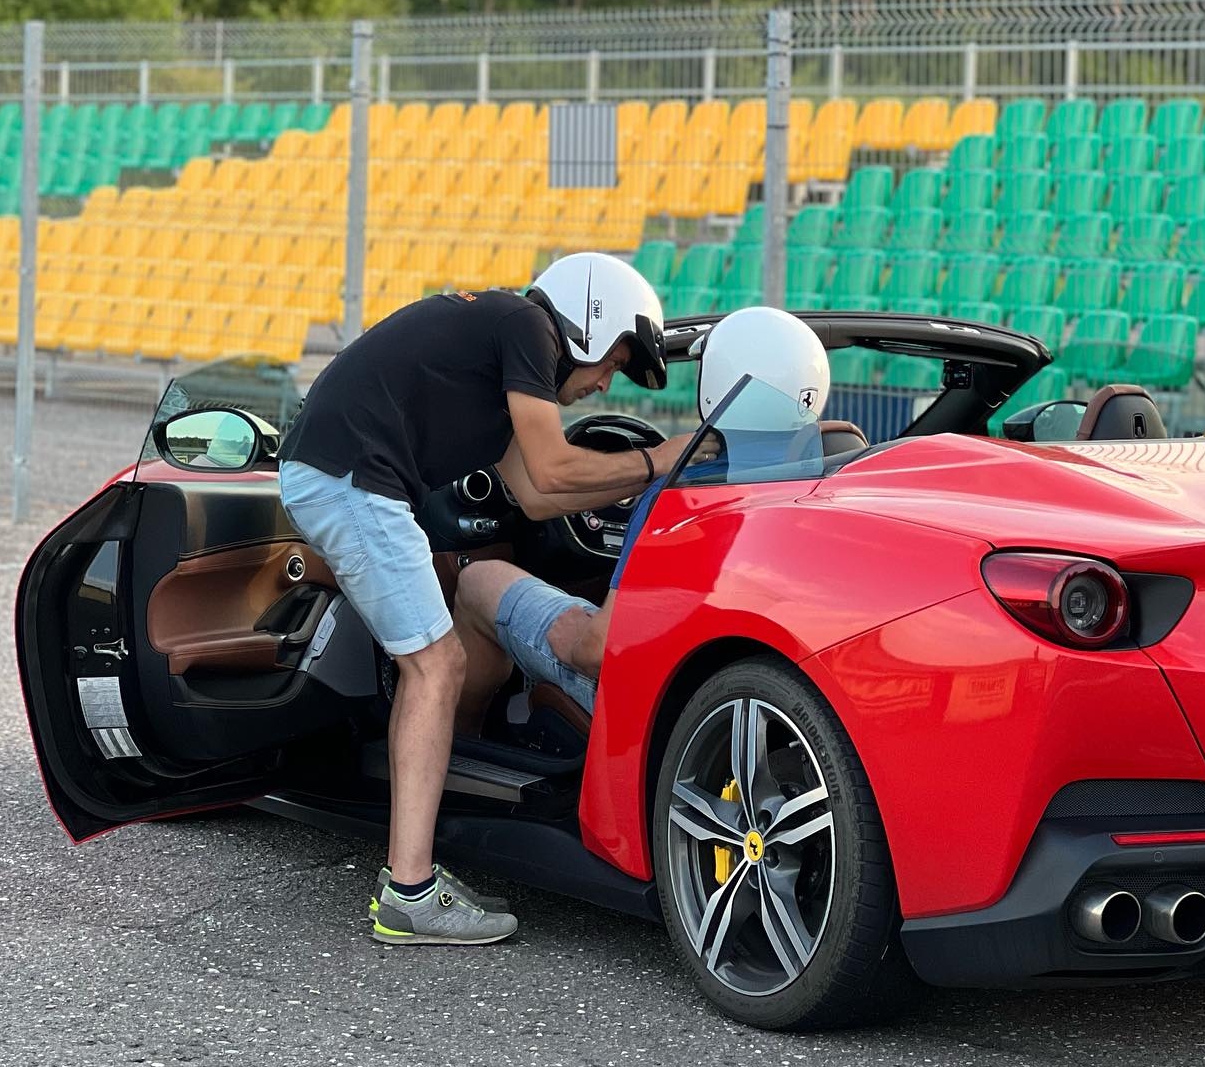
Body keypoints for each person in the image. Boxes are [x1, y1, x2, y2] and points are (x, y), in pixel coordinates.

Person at [276, 252, 695, 946]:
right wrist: (663, 459)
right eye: (614, 361)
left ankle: (411, 881)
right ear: (588, 324)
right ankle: (408, 893)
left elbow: (536, 493)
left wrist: (652, 488)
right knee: (437, 665)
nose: (606, 382)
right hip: (352, 477)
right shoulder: (526, 326)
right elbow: (559, 466)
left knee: (432, 662)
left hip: (339, 473)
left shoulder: (502, 353)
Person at [453, 306, 832, 722]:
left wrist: (572, 630)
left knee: (478, 579)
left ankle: (464, 747)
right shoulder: (827, 477)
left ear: (717, 383)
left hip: (651, 698)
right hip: (763, 681)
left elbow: (600, 652)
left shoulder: (684, 493)